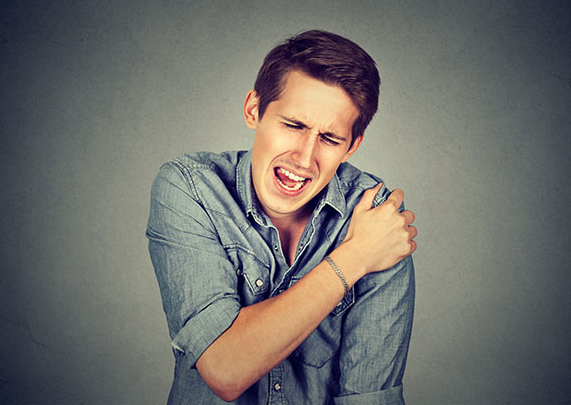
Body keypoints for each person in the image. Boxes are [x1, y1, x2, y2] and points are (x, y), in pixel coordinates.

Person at [146, 29, 417, 405]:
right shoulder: (190, 188)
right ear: (253, 109)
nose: (304, 159)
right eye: (293, 126)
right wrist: (356, 257)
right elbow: (224, 369)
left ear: (352, 145)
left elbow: (368, 397)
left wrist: (366, 245)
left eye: (329, 138)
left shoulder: (377, 219)